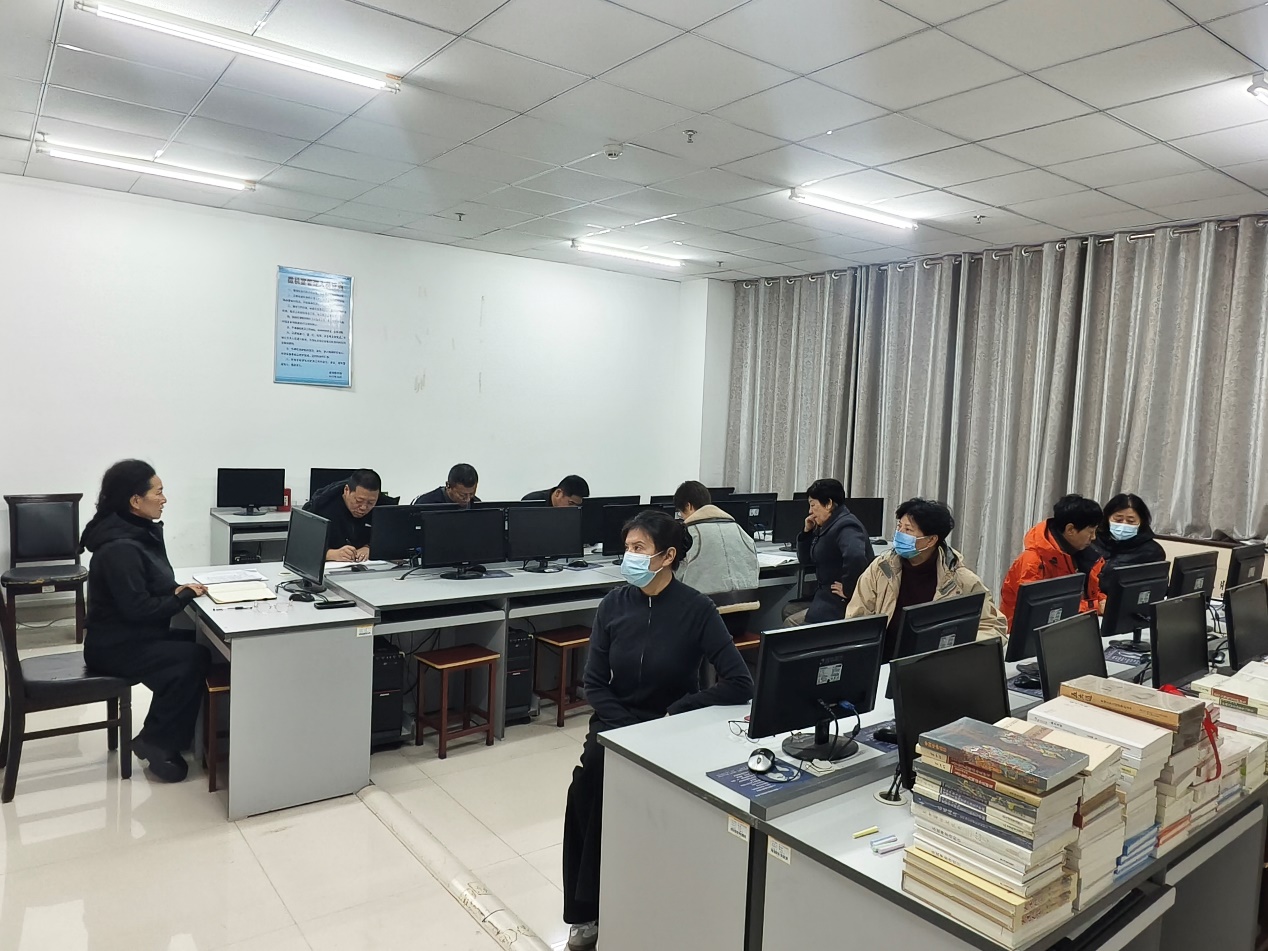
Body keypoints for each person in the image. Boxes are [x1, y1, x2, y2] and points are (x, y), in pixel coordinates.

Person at [562, 510, 753, 951]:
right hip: (616, 724)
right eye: (627, 547)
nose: (628, 556)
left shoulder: (697, 609)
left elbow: (740, 682)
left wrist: (679, 710)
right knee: (588, 786)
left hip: (672, 725)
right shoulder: (613, 605)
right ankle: (585, 910)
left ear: (667, 556)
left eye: (638, 548)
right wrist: (629, 729)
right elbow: (594, 683)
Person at [79, 460, 212, 783]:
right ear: (135, 501)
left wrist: (175, 591)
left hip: (131, 635)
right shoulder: (120, 547)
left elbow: (147, 586)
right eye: (159, 492)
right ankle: (157, 741)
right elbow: (138, 608)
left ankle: (169, 734)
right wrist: (181, 597)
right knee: (193, 657)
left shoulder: (135, 531)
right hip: (115, 647)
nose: (164, 499)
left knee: (200, 644)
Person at [847, 498, 1006, 658]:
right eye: (899, 526)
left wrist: (958, 648)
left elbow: (993, 626)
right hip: (882, 663)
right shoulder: (881, 568)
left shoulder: (960, 579)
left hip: (935, 665)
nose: (899, 534)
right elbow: (856, 619)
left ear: (931, 540)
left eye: (908, 530)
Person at [999, 493, 1105, 629]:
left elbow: (1093, 591)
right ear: (1070, 530)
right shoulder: (1033, 561)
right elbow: (1042, 610)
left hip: (1069, 627)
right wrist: (1094, 606)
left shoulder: (1084, 554)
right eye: (1090, 532)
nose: (1094, 537)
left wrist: (1103, 601)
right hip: (1025, 633)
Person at [787, 479, 874, 625]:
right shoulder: (828, 525)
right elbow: (805, 560)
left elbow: (856, 556)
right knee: (788, 609)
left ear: (828, 504)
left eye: (813, 505)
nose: (810, 511)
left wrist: (849, 589)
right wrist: (807, 532)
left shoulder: (846, 525)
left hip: (839, 600)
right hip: (825, 593)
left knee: (790, 622)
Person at [672, 480, 759, 606]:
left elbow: (676, 577)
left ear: (689, 506)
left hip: (705, 609)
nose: (682, 518)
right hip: (747, 605)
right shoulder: (738, 529)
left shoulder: (689, 533)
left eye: (681, 513)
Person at [1093, 493, 1168, 595]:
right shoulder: (1093, 541)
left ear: (1141, 522)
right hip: (1091, 600)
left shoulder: (1152, 551)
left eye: (1131, 521)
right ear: (1107, 518)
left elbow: (1156, 589)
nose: (1123, 524)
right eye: (1118, 520)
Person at [304, 468, 381, 562]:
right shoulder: (321, 506)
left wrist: (370, 547)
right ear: (346, 490)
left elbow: (390, 539)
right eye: (359, 501)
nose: (363, 507)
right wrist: (331, 554)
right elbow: (301, 546)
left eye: (371, 503)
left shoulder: (382, 506)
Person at [414, 463, 479, 508]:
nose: (468, 500)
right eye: (462, 495)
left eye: (472, 494)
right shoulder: (425, 504)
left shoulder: (477, 505)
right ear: (448, 486)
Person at [522, 475, 590, 507]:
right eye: (570, 503)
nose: (574, 508)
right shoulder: (530, 503)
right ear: (558, 493)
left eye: (578, 505)